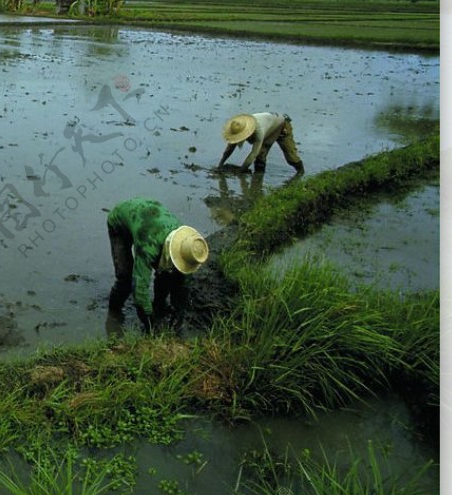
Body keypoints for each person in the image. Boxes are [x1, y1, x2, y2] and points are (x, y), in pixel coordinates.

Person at [106, 198, 210, 332]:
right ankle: (113, 316)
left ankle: (159, 306)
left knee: (168, 274)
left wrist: (179, 313)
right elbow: (140, 290)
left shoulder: (188, 245)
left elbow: (184, 281)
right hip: (120, 222)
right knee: (125, 278)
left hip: (148, 218)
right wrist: (150, 324)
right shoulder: (149, 247)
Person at [217, 112, 304, 173]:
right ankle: (257, 181)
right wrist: (220, 164)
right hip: (269, 126)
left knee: (291, 157)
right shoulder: (239, 126)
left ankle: (301, 173)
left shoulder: (259, 130)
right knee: (260, 158)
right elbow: (230, 148)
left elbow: (253, 153)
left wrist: (241, 170)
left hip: (282, 126)